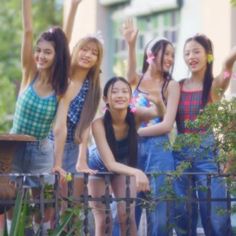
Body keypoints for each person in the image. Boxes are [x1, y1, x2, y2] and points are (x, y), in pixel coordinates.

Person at [8, 0, 70, 234]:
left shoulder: (61, 87)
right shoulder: (29, 72)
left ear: (56, 56)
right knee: (11, 200)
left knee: (42, 204)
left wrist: (57, 163)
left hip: (40, 150)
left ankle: (42, 232)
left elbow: (60, 128)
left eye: (47, 52)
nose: (41, 56)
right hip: (13, 148)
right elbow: (28, 31)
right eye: (39, 50)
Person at [173, 34, 236, 236]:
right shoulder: (178, 86)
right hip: (179, 152)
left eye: (196, 51)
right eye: (187, 53)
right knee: (182, 212)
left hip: (207, 153)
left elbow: (228, 64)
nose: (191, 56)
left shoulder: (215, 85)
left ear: (208, 55)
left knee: (214, 213)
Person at [122, 19, 180, 236]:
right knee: (128, 209)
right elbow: (128, 76)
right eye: (167, 53)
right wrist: (130, 44)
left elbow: (167, 124)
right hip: (133, 151)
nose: (170, 59)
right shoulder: (136, 79)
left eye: (173, 55)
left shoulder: (171, 85)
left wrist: (136, 132)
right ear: (152, 54)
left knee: (160, 212)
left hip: (159, 150)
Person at [88, 76, 166, 236]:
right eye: (115, 92)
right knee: (104, 220)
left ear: (130, 98)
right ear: (106, 99)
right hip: (98, 168)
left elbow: (159, 112)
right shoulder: (98, 124)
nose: (120, 95)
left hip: (122, 166)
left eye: (124, 91)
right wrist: (137, 172)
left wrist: (158, 100)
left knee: (127, 217)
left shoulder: (135, 116)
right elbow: (109, 164)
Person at [51, 0, 103, 207]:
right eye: (84, 49)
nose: (88, 55)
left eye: (94, 52)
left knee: (67, 201)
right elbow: (63, 40)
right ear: (76, 50)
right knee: (45, 197)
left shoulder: (92, 87)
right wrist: (72, 7)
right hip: (49, 141)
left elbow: (86, 125)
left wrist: (83, 159)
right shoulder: (63, 74)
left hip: (72, 145)